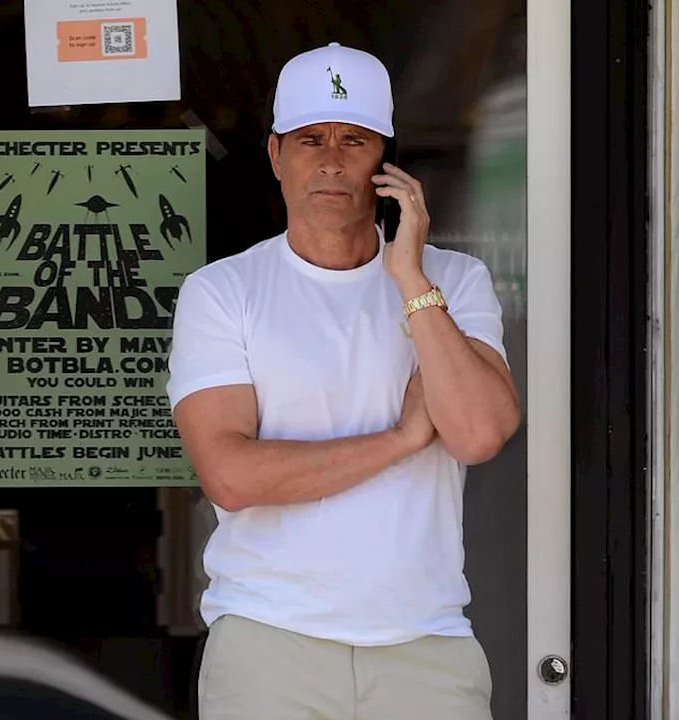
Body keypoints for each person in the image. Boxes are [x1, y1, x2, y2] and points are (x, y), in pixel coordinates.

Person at [167, 41, 521, 719]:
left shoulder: (454, 281)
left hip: (425, 643)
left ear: (384, 161)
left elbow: (476, 433)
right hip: (270, 642)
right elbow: (232, 477)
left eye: (353, 139)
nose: (330, 159)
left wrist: (411, 280)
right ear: (276, 155)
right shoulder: (223, 292)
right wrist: (402, 438)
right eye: (310, 139)